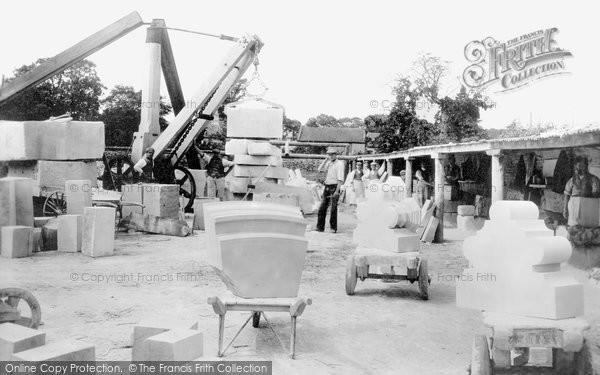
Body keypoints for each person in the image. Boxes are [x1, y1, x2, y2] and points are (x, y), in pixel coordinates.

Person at [563, 156, 600, 224]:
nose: (579, 168)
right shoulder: (572, 179)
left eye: (581, 166)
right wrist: (565, 209)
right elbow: (567, 194)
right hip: (574, 208)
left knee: (587, 228)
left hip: (588, 208)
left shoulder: (593, 179)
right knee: (575, 228)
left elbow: (596, 194)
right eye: (578, 166)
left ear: (586, 166)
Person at [316, 148, 345, 233]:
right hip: (327, 187)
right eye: (329, 154)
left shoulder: (340, 164)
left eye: (332, 154)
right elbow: (319, 169)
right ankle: (320, 227)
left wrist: (336, 191)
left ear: (336, 155)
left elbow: (340, 179)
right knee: (322, 208)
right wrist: (325, 160)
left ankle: (333, 228)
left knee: (333, 209)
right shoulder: (329, 163)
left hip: (334, 187)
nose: (331, 156)